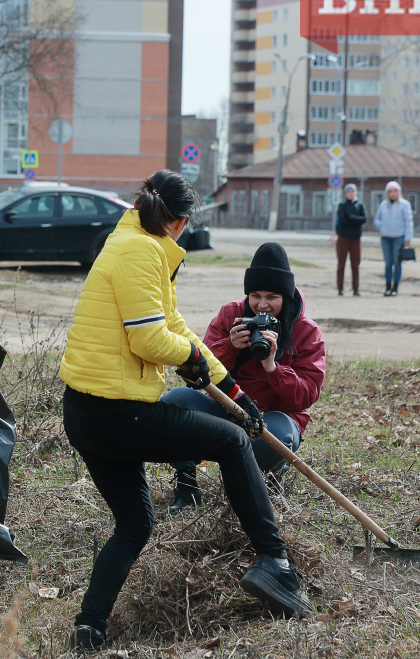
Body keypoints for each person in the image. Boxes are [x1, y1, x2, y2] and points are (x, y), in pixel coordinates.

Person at [57, 170, 311, 654]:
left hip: (91, 412)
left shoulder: (133, 242)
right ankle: (274, 561)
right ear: (183, 222)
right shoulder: (142, 250)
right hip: (115, 412)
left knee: (135, 523)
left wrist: (233, 390)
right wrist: (192, 361)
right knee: (233, 441)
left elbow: (174, 326)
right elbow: (149, 339)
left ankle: (89, 628)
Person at [164, 242, 326, 513]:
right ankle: (186, 485)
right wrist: (230, 347)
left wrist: (272, 367)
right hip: (227, 405)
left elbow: (307, 395)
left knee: (275, 437)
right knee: (173, 404)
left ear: (286, 296)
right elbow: (197, 372)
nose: (262, 305)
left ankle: (270, 481)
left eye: (272, 297)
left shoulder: (306, 331)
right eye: (255, 295)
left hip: (275, 415)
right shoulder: (231, 315)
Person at [373, 180, 413, 296]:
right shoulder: (383, 205)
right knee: (388, 263)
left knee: (397, 262)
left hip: (398, 237)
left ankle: (395, 287)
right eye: (390, 191)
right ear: (387, 193)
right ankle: (387, 286)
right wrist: (381, 226)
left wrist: (408, 238)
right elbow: (377, 219)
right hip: (385, 237)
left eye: (395, 191)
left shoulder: (405, 205)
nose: (393, 193)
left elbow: (408, 222)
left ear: (399, 192)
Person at [335, 184, 366, 296]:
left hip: (356, 239)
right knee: (341, 264)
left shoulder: (360, 206)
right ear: (346, 194)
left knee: (355, 265)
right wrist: (354, 220)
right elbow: (343, 220)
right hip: (343, 238)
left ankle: (356, 288)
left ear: (356, 193)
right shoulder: (342, 206)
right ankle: (340, 288)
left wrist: (352, 217)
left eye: (353, 192)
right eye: (348, 192)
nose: (351, 194)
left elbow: (363, 219)